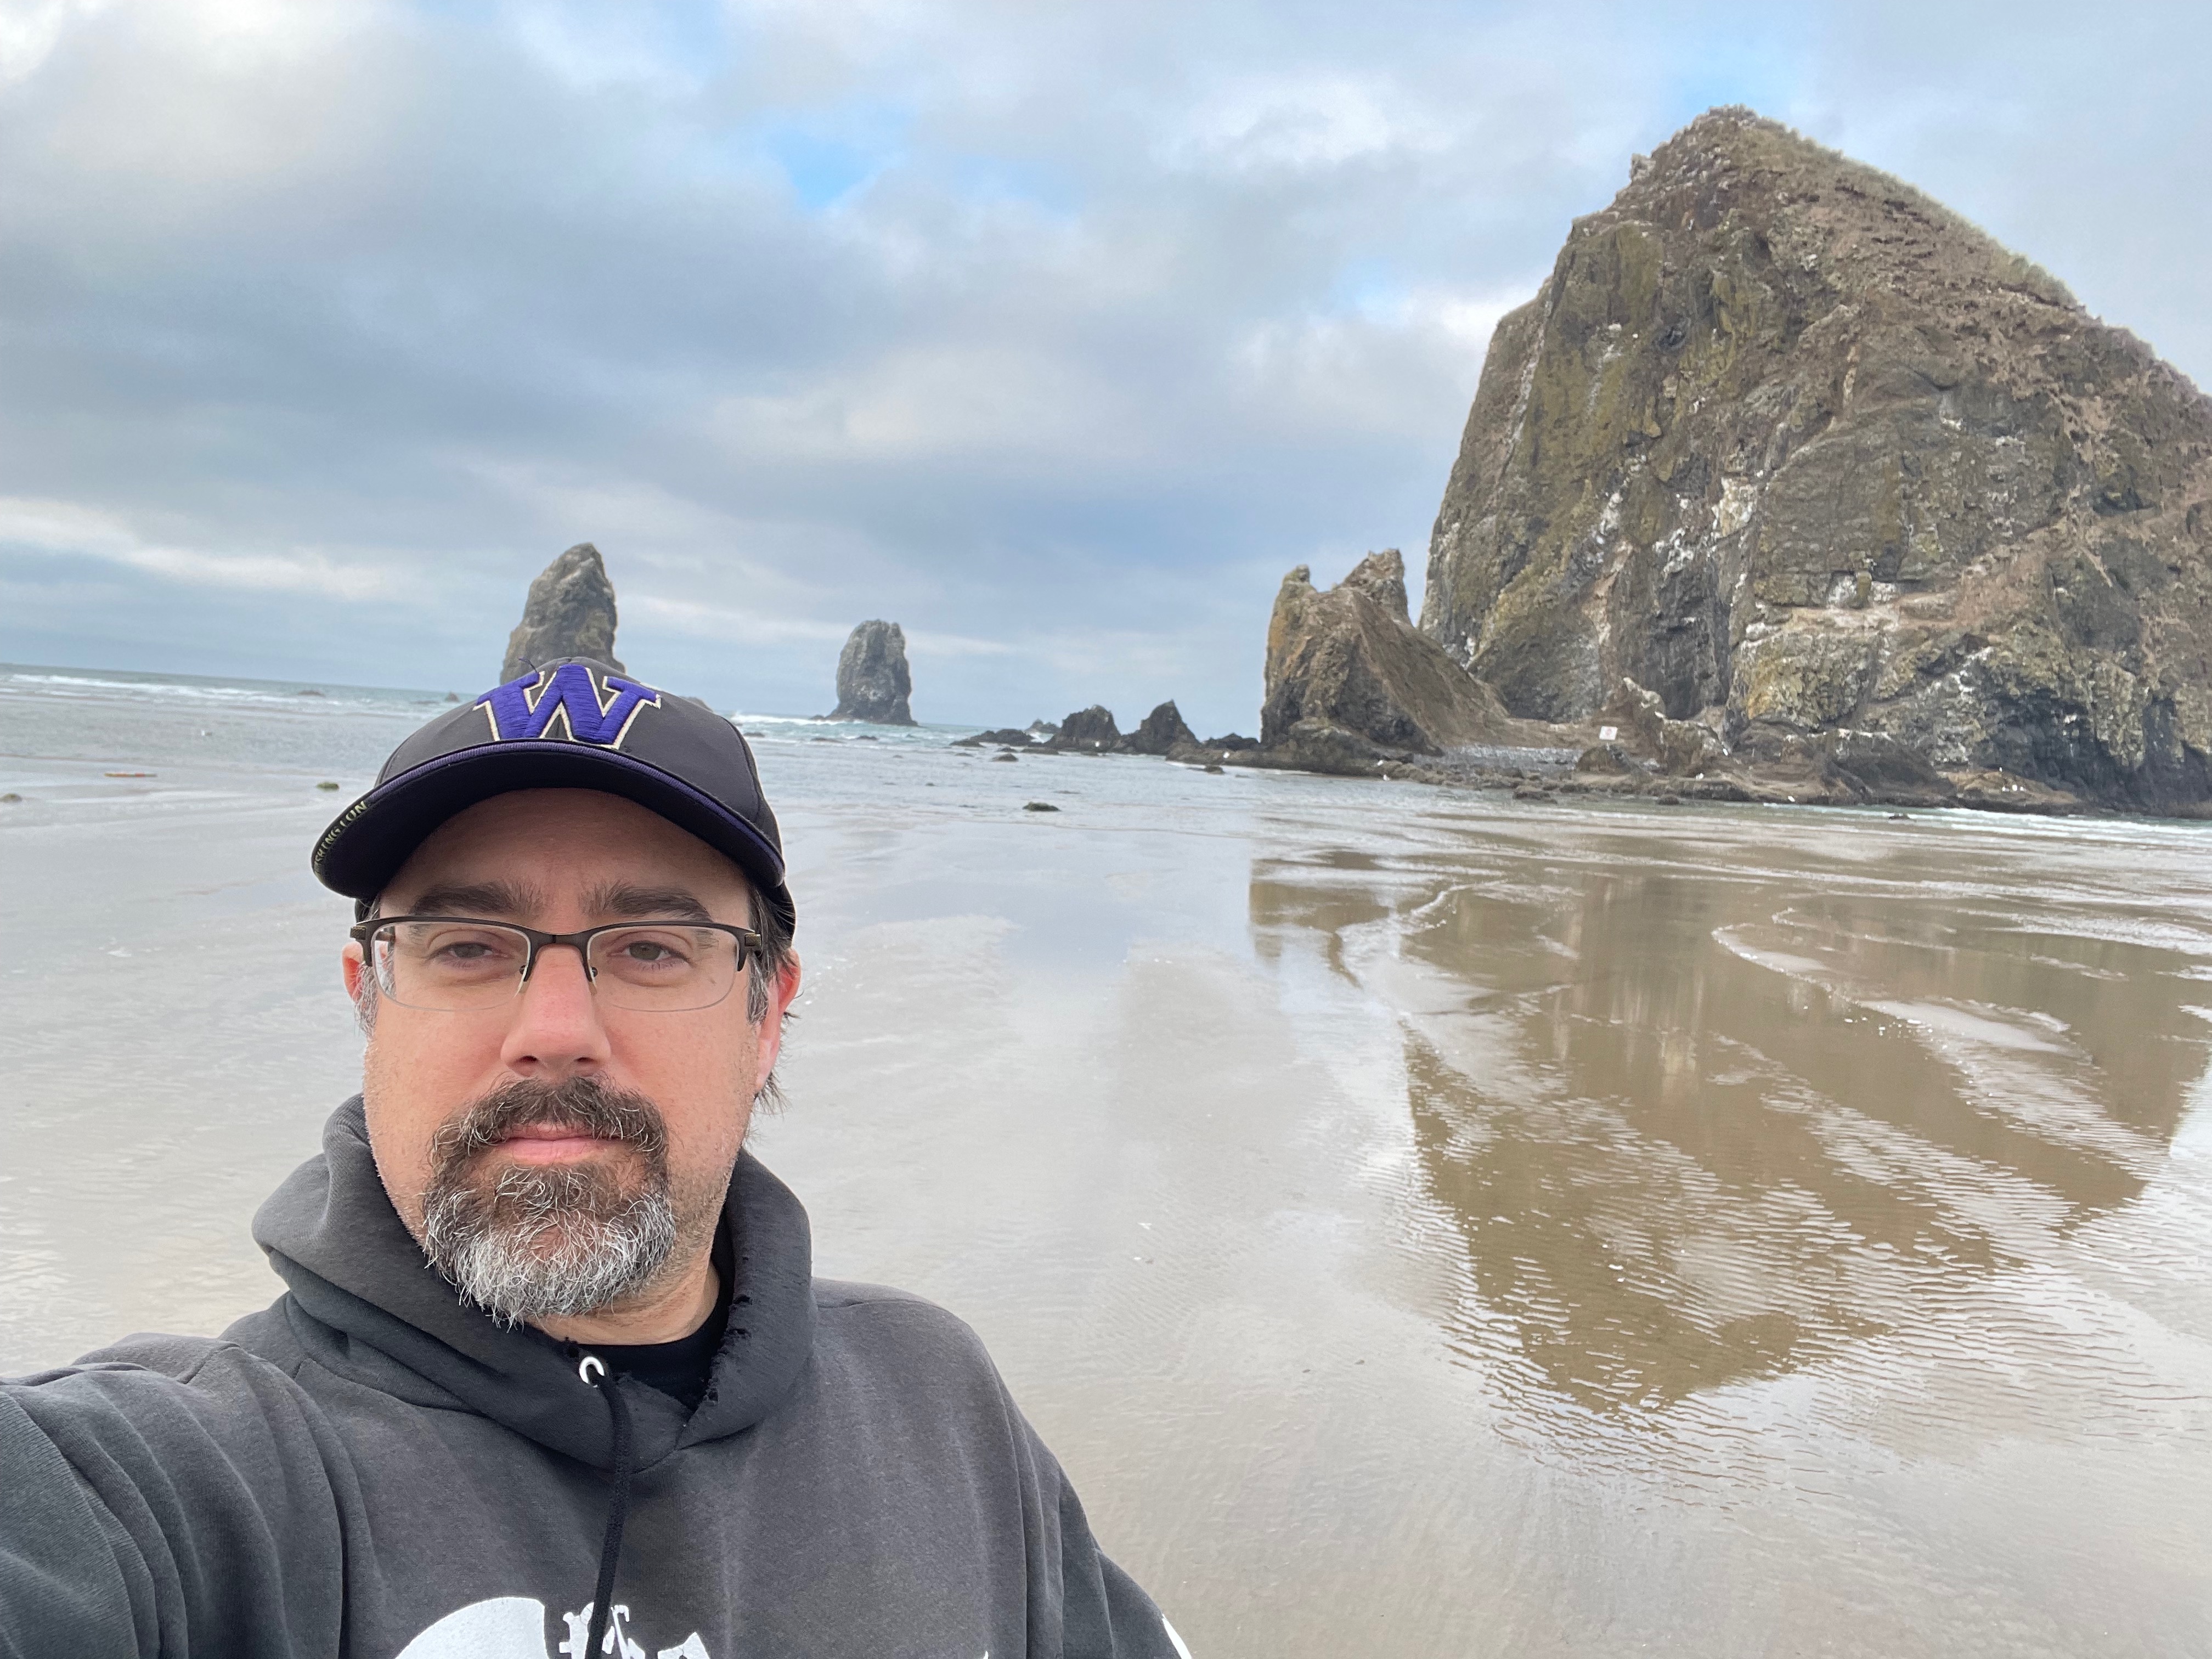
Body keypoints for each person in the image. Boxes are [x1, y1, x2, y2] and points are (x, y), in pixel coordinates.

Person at [0, 657, 1190, 1659]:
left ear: (767, 1010)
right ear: (370, 996)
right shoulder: (199, 1484)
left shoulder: (939, 1404)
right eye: (466, 945)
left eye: (651, 949)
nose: (555, 1030)